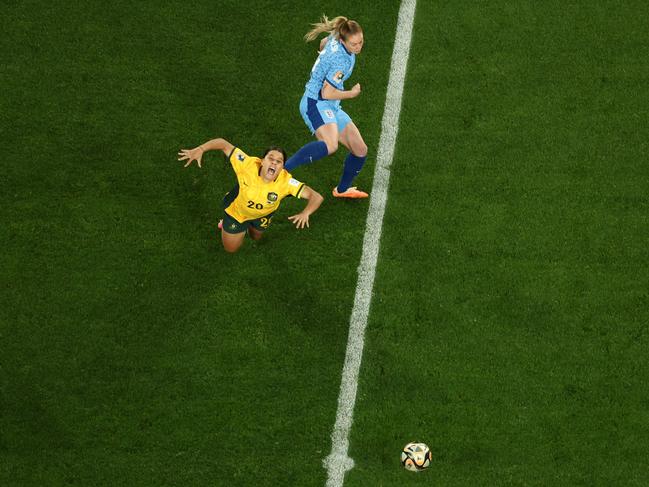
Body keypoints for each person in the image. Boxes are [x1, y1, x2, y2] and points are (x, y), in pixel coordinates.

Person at [178, 137, 323, 253]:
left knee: (256, 236)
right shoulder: (248, 164)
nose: (274, 163)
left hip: (263, 215)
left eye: (279, 161)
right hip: (237, 213)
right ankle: (226, 223)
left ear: (282, 167)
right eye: (270, 158)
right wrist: (201, 149)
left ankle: (248, 228)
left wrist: (306, 213)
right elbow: (223, 143)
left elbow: (316, 197)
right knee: (231, 249)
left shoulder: (287, 182)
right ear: (262, 161)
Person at [284, 15, 369, 199]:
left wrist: (324, 61)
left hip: (330, 105)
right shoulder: (342, 61)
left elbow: (323, 43)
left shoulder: (336, 36)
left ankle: (342, 190)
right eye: (354, 44)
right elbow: (327, 93)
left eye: (361, 41)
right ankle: (283, 170)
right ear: (344, 40)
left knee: (360, 149)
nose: (358, 47)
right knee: (330, 145)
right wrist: (351, 94)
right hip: (315, 102)